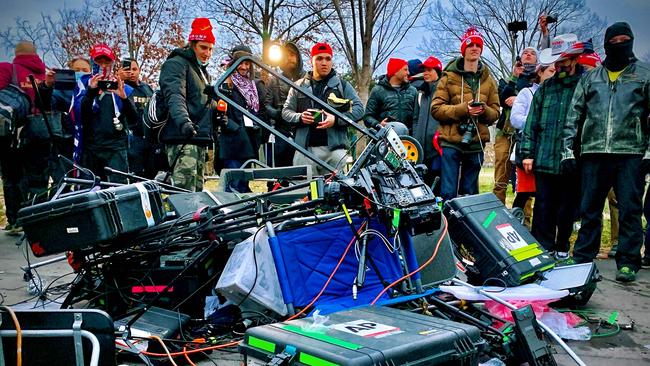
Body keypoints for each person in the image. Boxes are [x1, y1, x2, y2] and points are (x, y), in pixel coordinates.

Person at [562, 22, 650, 282]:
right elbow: (574, 115)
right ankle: (582, 256)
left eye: (626, 39)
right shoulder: (591, 77)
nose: (621, 43)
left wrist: (648, 154)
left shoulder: (644, 75)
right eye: (615, 39)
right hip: (594, 152)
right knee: (590, 208)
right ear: (607, 43)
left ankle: (628, 261)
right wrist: (568, 151)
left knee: (630, 209)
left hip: (630, 152)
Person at [520, 34, 586, 259]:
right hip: (544, 157)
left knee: (567, 207)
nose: (559, 65)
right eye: (556, 61)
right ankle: (543, 248)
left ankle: (562, 247)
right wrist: (527, 153)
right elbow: (531, 123)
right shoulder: (546, 89)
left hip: (572, 160)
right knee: (543, 206)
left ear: (574, 59)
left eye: (563, 60)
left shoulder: (584, 86)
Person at [431, 26, 500, 201]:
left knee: (470, 194)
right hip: (451, 143)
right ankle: (447, 227)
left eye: (478, 45)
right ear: (463, 49)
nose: (474, 48)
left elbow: (496, 113)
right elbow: (436, 109)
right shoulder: (447, 77)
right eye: (470, 45)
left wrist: (483, 110)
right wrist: (463, 109)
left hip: (476, 143)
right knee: (448, 192)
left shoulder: (489, 80)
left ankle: (465, 229)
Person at [282, 42, 364, 176]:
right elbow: (286, 112)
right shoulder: (298, 86)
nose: (324, 62)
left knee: (335, 193)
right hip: (304, 151)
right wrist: (300, 117)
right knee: (304, 193)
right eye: (319, 58)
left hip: (335, 152)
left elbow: (360, 110)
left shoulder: (343, 86)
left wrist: (336, 119)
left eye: (328, 58)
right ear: (311, 61)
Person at [159, 18, 217, 191]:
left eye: (211, 49)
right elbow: (175, 96)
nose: (207, 53)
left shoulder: (203, 72)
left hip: (199, 139)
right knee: (184, 193)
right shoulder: (176, 64)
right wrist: (184, 122)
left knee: (197, 194)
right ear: (192, 44)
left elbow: (202, 102)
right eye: (203, 47)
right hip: (182, 138)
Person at [0, 41, 46, 234]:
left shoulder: (7, 69)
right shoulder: (46, 75)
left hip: (10, 133)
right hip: (39, 131)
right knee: (37, 178)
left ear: (17, 53)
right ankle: (36, 220)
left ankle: (15, 220)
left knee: (11, 176)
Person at [77, 44, 138, 183]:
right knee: (91, 192)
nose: (103, 65)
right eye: (99, 61)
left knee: (118, 190)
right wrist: (91, 91)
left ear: (113, 63)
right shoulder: (83, 85)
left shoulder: (124, 88)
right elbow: (81, 116)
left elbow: (134, 119)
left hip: (116, 150)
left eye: (107, 62)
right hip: (91, 149)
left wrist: (123, 97)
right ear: (93, 62)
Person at [510, 63, 556, 225]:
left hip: (548, 152)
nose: (554, 73)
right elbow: (515, 119)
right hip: (527, 150)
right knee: (524, 193)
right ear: (540, 72)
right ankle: (515, 226)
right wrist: (537, 122)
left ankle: (540, 232)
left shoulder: (556, 94)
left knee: (545, 196)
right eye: (551, 70)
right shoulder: (527, 92)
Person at [493, 47, 538, 204]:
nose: (528, 54)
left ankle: (524, 220)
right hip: (505, 134)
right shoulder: (507, 81)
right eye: (525, 52)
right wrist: (515, 76)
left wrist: (518, 99)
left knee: (525, 181)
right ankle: (496, 215)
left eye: (532, 53)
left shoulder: (538, 83)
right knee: (500, 177)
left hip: (525, 135)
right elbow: (501, 98)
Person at [218, 45, 265, 193]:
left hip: (250, 140)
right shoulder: (225, 83)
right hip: (232, 142)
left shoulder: (255, 85)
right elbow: (218, 112)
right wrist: (232, 127)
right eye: (240, 63)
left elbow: (261, 109)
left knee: (244, 186)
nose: (244, 67)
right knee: (233, 186)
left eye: (247, 63)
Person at [264, 42, 305, 167]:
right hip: (281, 130)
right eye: (286, 55)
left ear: (298, 57)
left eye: (292, 55)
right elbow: (266, 105)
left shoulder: (307, 79)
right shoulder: (274, 79)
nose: (290, 58)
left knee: (303, 170)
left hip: (302, 130)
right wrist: (277, 113)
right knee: (279, 168)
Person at [119, 58, 157, 179]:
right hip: (130, 138)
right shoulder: (119, 88)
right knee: (134, 176)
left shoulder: (147, 88)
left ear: (139, 70)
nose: (131, 73)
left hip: (149, 138)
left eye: (134, 69)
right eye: (127, 70)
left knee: (150, 176)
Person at [363, 58, 417, 135]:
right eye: (405, 70)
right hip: (384, 140)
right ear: (395, 71)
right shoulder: (378, 90)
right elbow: (367, 117)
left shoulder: (413, 91)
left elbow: (417, 119)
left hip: (407, 141)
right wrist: (378, 125)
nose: (408, 73)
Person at [412, 56, 443, 186]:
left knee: (438, 182)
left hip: (438, 148)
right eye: (424, 70)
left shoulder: (444, 91)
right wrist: (415, 138)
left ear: (438, 71)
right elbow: (415, 119)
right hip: (421, 150)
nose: (425, 73)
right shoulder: (420, 93)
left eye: (429, 70)